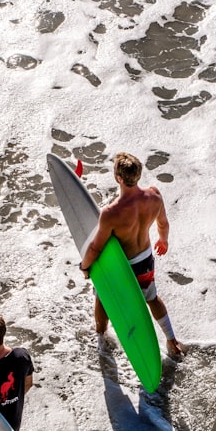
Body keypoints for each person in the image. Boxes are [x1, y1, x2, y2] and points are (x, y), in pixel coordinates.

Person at [79, 152, 185, 358]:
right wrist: (163, 240)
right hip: (145, 259)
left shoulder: (111, 212)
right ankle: (172, 340)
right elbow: (163, 224)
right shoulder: (154, 195)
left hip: (123, 267)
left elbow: (95, 248)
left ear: (118, 178)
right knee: (152, 297)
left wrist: (85, 266)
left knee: (103, 297)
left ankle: (101, 336)